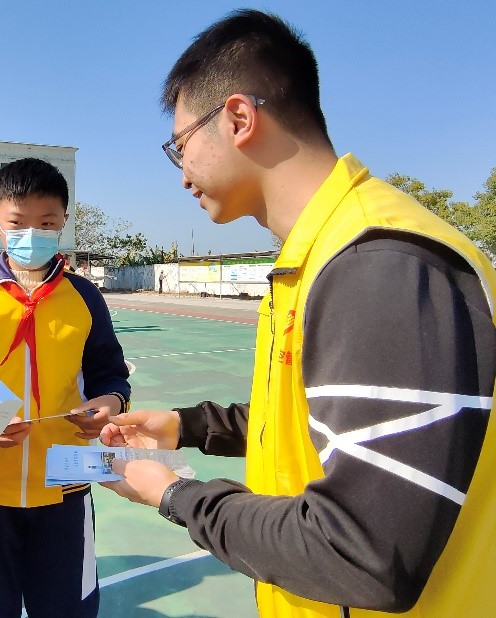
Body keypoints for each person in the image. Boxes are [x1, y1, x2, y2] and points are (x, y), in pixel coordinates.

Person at [99, 9, 496, 618]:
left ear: (238, 118)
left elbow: (366, 554)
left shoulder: (380, 263)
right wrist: (188, 425)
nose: (180, 176)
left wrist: (176, 494)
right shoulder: (317, 257)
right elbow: (319, 421)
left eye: (179, 146)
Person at [0, 157, 131, 617]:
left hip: (66, 482)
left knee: (65, 608)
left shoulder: (85, 297)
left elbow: (110, 373)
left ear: (63, 224)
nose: (31, 235)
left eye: (47, 223)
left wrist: (109, 402)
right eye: (18, 223)